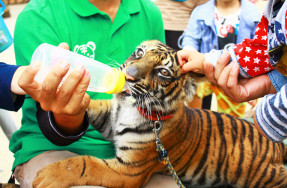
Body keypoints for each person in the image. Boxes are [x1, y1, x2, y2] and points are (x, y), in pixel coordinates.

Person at [9, 0, 177, 187]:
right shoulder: (39, 15)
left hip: (137, 150)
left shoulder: (148, 12)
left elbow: (157, 101)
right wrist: (69, 114)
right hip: (54, 147)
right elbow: (51, 127)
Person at [177, 0, 287, 143]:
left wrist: (269, 114)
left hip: (236, 78)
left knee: (233, 125)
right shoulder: (201, 12)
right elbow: (263, 48)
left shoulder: (252, 12)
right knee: (199, 112)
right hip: (215, 75)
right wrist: (207, 60)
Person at [180, 0, 261, 115]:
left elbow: (258, 50)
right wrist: (189, 52)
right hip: (205, 72)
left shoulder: (253, 14)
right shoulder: (201, 12)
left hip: (233, 77)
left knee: (231, 121)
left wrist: (253, 86)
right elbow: (190, 38)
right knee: (195, 108)